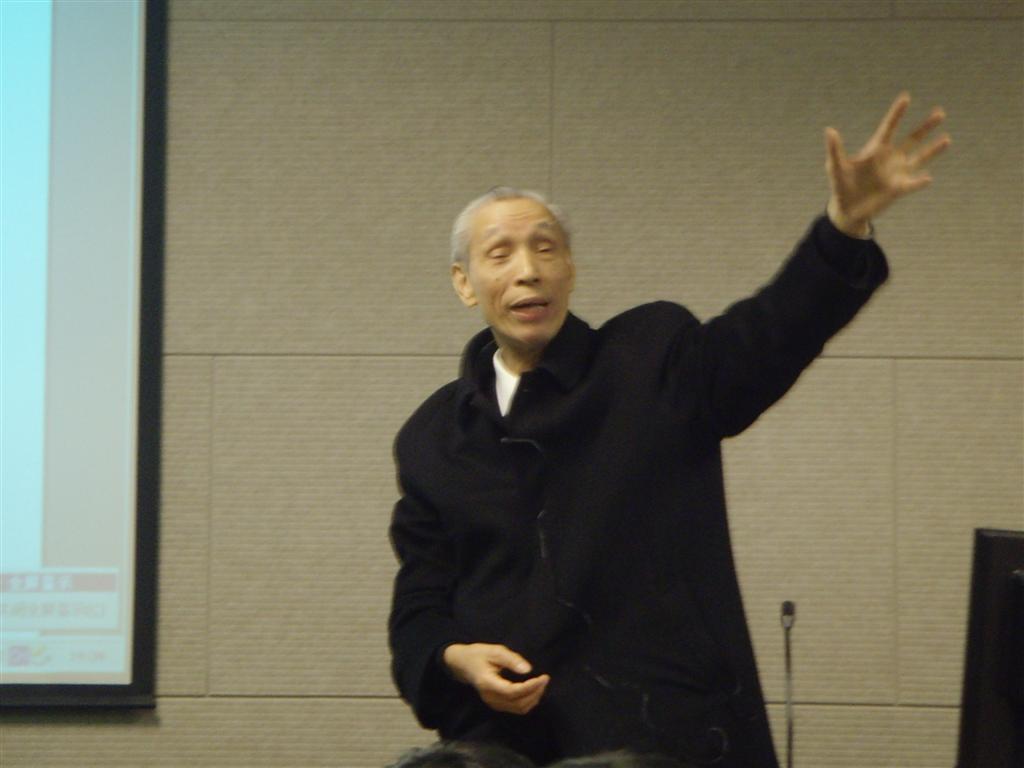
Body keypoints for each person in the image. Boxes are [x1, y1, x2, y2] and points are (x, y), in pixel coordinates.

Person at [387, 94, 949, 767]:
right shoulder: (433, 438)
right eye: (499, 253)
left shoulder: (648, 360)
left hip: (667, 741)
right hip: (508, 746)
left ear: (570, 269)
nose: (527, 269)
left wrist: (844, 226)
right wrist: (454, 657)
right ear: (465, 283)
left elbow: (765, 336)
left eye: (545, 247)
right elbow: (419, 604)